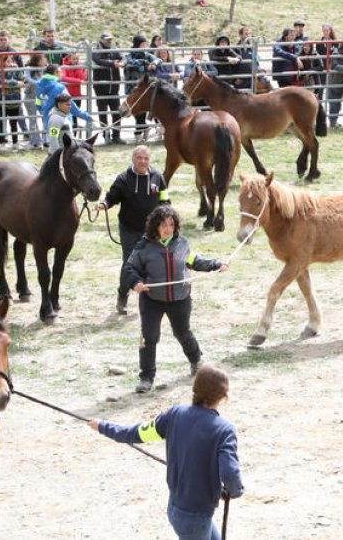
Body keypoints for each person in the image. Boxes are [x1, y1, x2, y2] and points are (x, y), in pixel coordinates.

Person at [87, 365, 244, 540]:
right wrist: (234, 491)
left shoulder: (174, 415)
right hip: (195, 518)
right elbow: (230, 474)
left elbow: (135, 433)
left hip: (177, 509)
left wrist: (102, 426)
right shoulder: (224, 431)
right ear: (224, 395)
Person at [123, 206, 229, 393]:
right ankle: (146, 377)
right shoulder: (143, 247)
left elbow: (196, 261)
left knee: (183, 332)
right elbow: (129, 269)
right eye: (163, 225)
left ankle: (196, 361)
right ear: (155, 226)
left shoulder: (182, 244)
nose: (168, 229)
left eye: (171, 224)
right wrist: (136, 283)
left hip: (180, 298)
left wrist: (216, 265)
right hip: (151, 300)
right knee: (150, 337)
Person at [97, 146, 170, 315]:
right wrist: (104, 205)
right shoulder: (123, 179)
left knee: (153, 265)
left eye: (146, 158)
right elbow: (112, 197)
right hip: (129, 229)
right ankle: (122, 295)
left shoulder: (158, 178)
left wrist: (167, 219)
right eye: (139, 158)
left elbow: (165, 201)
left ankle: (150, 300)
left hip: (152, 231)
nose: (143, 161)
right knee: (129, 266)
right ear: (133, 159)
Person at [92, 32, 126, 144]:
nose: (109, 41)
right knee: (103, 112)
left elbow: (124, 58)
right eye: (107, 39)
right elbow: (98, 60)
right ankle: (106, 135)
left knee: (116, 112)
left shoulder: (114, 50)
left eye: (110, 39)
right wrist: (112, 63)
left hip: (114, 87)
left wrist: (121, 63)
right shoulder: (96, 50)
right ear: (101, 40)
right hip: (101, 87)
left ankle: (116, 135)